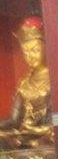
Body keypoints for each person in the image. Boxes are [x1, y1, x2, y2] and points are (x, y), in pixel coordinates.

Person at [0, 16, 53, 150]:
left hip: (45, 135)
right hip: (24, 134)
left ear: (46, 48)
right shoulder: (24, 83)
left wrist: (37, 130)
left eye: (35, 50)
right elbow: (14, 120)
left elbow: (57, 122)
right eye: (26, 52)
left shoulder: (54, 80)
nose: (30, 56)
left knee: (45, 141)